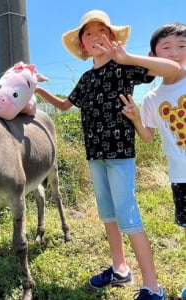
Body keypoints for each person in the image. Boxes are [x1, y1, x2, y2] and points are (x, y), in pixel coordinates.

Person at [35, 9, 181, 300]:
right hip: (95, 155)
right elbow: (65, 105)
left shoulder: (124, 67)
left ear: (112, 38)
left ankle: (153, 287)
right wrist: (37, 90)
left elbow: (172, 69)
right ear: (82, 46)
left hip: (120, 155)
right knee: (109, 216)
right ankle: (120, 269)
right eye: (88, 34)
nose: (95, 37)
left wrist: (127, 58)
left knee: (129, 219)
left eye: (102, 31)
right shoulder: (86, 79)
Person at [120, 21, 186, 300]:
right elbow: (148, 137)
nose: (175, 53)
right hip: (180, 175)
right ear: (152, 54)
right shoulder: (152, 97)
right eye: (167, 47)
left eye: (182, 47)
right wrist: (135, 117)